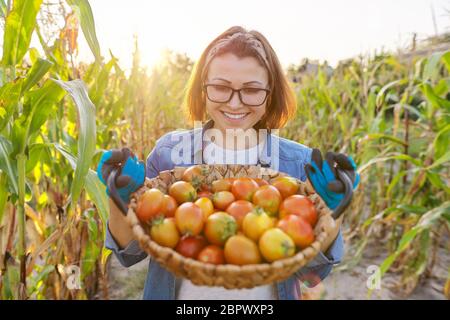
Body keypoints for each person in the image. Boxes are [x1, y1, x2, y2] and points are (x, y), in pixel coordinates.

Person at [97, 26, 360, 300]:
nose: (235, 103)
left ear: (270, 93)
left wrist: (333, 211)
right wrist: (121, 200)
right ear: (203, 89)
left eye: (252, 90)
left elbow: (313, 275)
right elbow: (130, 253)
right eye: (221, 87)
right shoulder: (169, 153)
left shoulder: (300, 164)